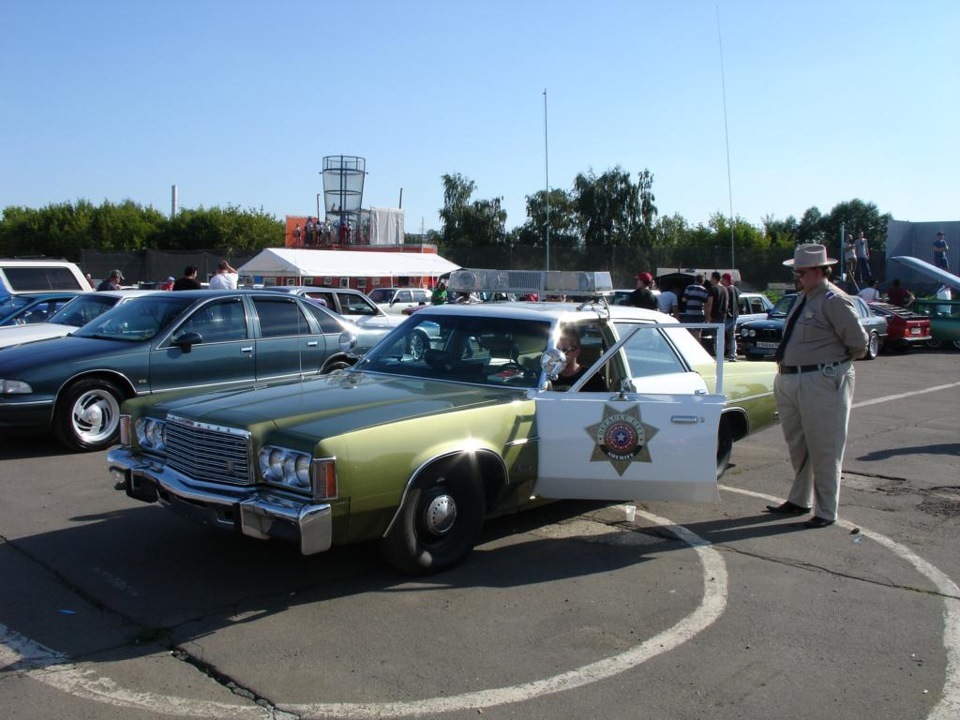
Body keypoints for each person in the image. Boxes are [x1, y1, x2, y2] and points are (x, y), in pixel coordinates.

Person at [764, 243, 868, 529]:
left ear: (821, 271)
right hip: (791, 378)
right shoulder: (802, 298)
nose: (797, 276)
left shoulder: (833, 299)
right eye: (795, 271)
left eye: (802, 272)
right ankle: (799, 499)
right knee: (799, 443)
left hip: (821, 379)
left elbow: (858, 343)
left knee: (825, 446)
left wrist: (830, 368)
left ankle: (826, 510)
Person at [551, 327, 607, 392]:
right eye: (557, 350)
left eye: (564, 350)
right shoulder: (545, 377)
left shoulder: (592, 378)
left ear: (577, 351)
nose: (559, 355)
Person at [702, 271, 728, 354]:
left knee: (715, 337)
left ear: (714, 279)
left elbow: (709, 303)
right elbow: (727, 303)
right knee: (721, 337)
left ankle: (717, 356)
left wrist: (707, 316)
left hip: (714, 317)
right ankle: (721, 355)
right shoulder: (725, 289)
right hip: (723, 317)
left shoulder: (712, 289)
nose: (710, 280)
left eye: (711, 278)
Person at [720, 273, 739, 360]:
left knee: (721, 334)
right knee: (732, 336)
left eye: (722, 279)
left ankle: (721, 353)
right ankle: (733, 354)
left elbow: (726, 303)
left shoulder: (726, 289)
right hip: (735, 316)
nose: (721, 281)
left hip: (727, 316)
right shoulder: (736, 289)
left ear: (726, 280)